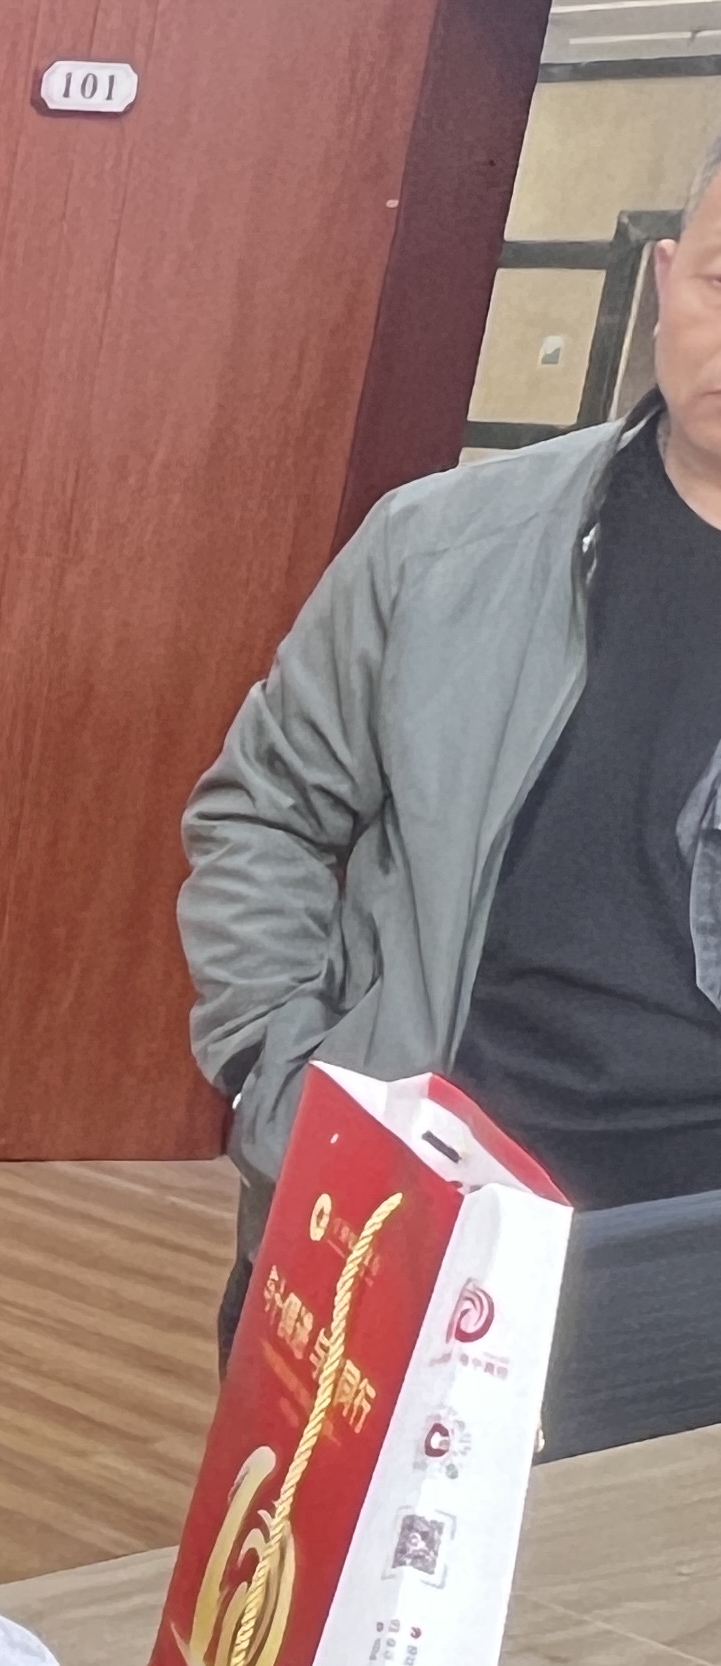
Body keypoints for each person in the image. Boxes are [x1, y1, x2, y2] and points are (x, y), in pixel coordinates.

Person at [185, 133, 721, 1326]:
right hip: (400, 1205)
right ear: (664, 281)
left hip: (687, 1257)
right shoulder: (442, 545)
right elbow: (263, 810)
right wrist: (280, 1071)